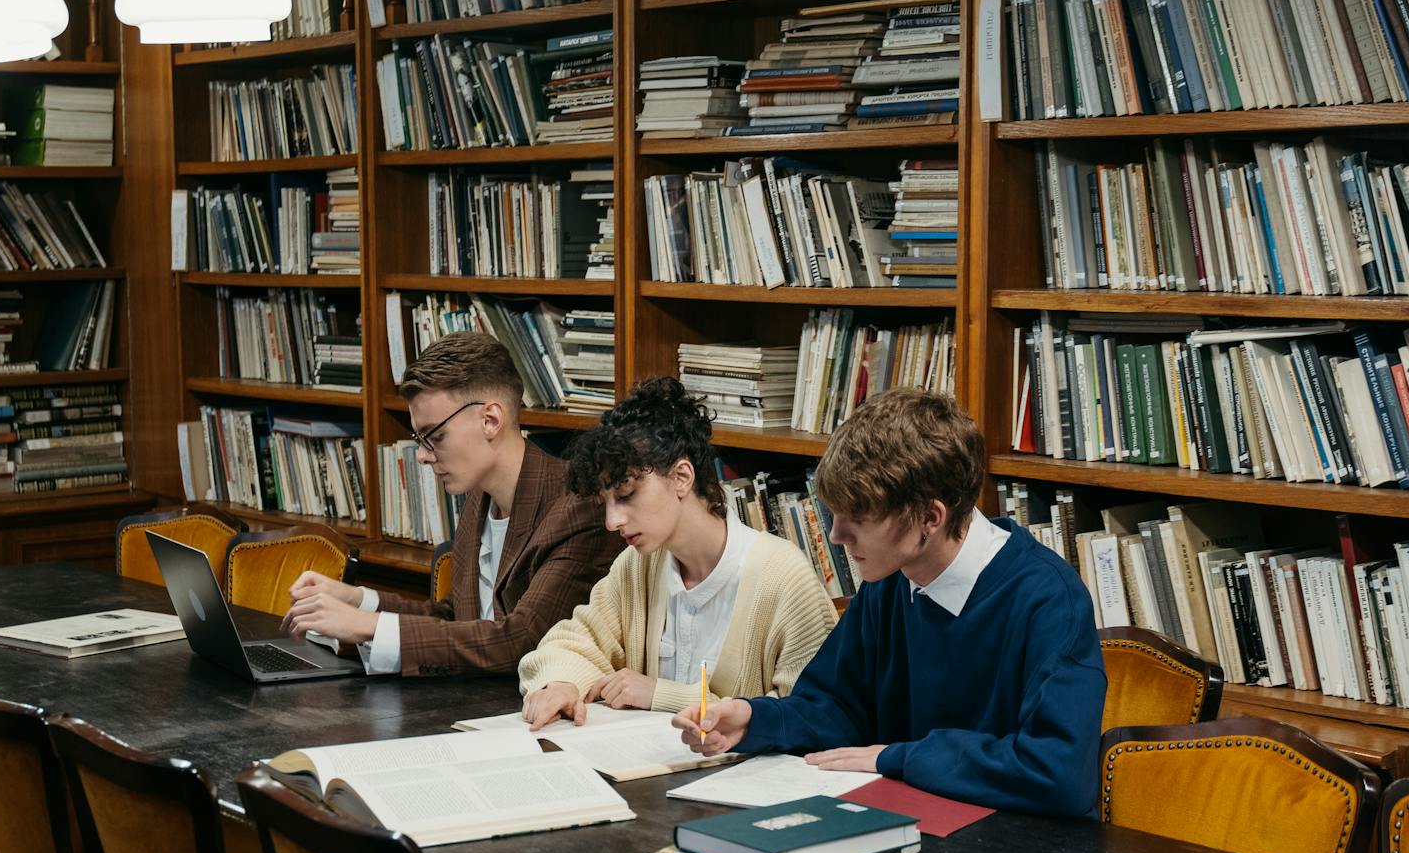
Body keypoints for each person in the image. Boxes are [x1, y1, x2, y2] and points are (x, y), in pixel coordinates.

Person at [673, 389, 1106, 816]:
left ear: (929, 518)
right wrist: (753, 720)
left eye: (857, 519)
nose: (836, 536)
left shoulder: (1049, 601)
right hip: (907, 827)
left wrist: (899, 757)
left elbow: (1058, 773)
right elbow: (838, 706)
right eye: (835, 515)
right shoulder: (890, 579)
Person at [282, 332, 615, 675]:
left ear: (491, 420)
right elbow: (456, 618)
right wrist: (358, 601)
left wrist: (369, 626)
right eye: (420, 439)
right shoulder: (477, 498)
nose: (423, 456)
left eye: (435, 436)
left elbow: (522, 641)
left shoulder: (580, 506)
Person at [517, 378, 838, 729]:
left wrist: (661, 694)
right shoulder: (637, 565)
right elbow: (573, 641)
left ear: (682, 477)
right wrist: (563, 683)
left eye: (626, 495)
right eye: (604, 503)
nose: (612, 521)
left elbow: (812, 715)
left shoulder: (785, 577)